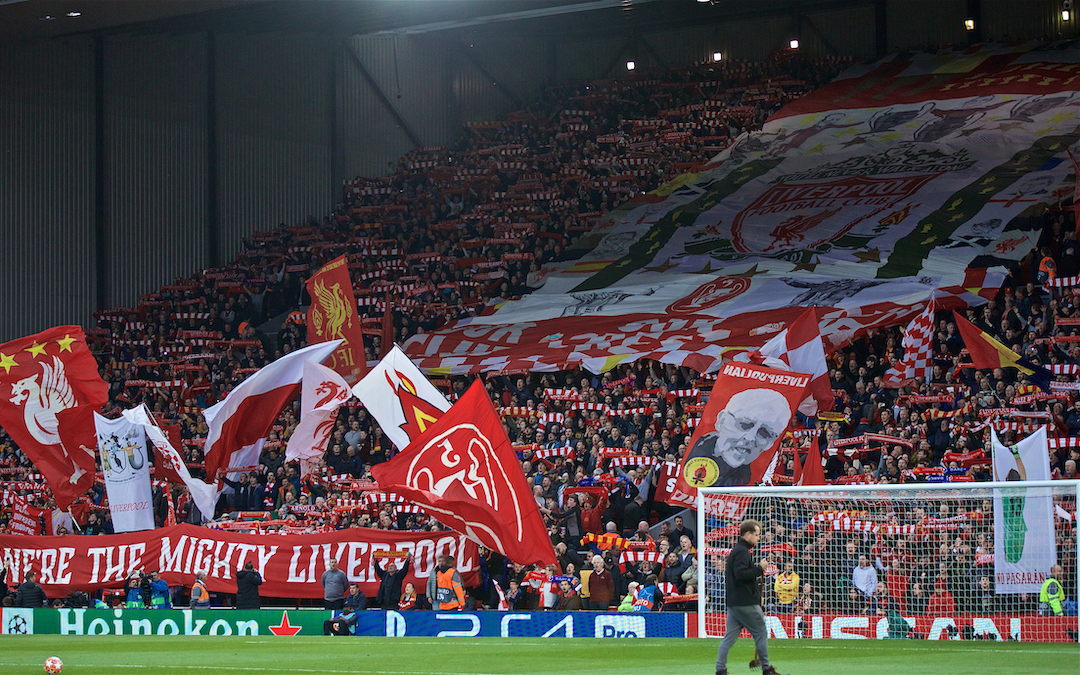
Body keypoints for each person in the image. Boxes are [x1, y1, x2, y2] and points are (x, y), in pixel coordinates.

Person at [715, 520, 787, 675]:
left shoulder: (738, 550)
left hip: (735, 602)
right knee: (760, 631)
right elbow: (741, 575)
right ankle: (767, 669)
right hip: (744, 602)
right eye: (756, 534)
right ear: (747, 534)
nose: (758, 538)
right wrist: (760, 569)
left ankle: (720, 669)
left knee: (729, 637)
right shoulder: (742, 551)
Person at [684, 389, 790, 489]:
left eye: (764, 433)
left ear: (770, 444)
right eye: (745, 424)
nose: (750, 438)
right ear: (721, 420)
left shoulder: (751, 482)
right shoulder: (689, 458)